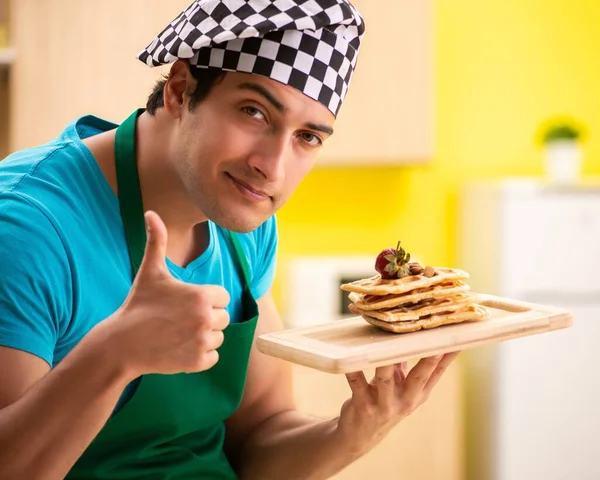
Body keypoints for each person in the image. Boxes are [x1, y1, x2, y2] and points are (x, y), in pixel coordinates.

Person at [0, 1, 458, 478]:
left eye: (308, 137)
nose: (273, 167)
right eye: (254, 112)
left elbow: (261, 435)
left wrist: (355, 431)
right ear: (181, 90)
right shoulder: (28, 227)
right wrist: (114, 355)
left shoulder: (245, 221)